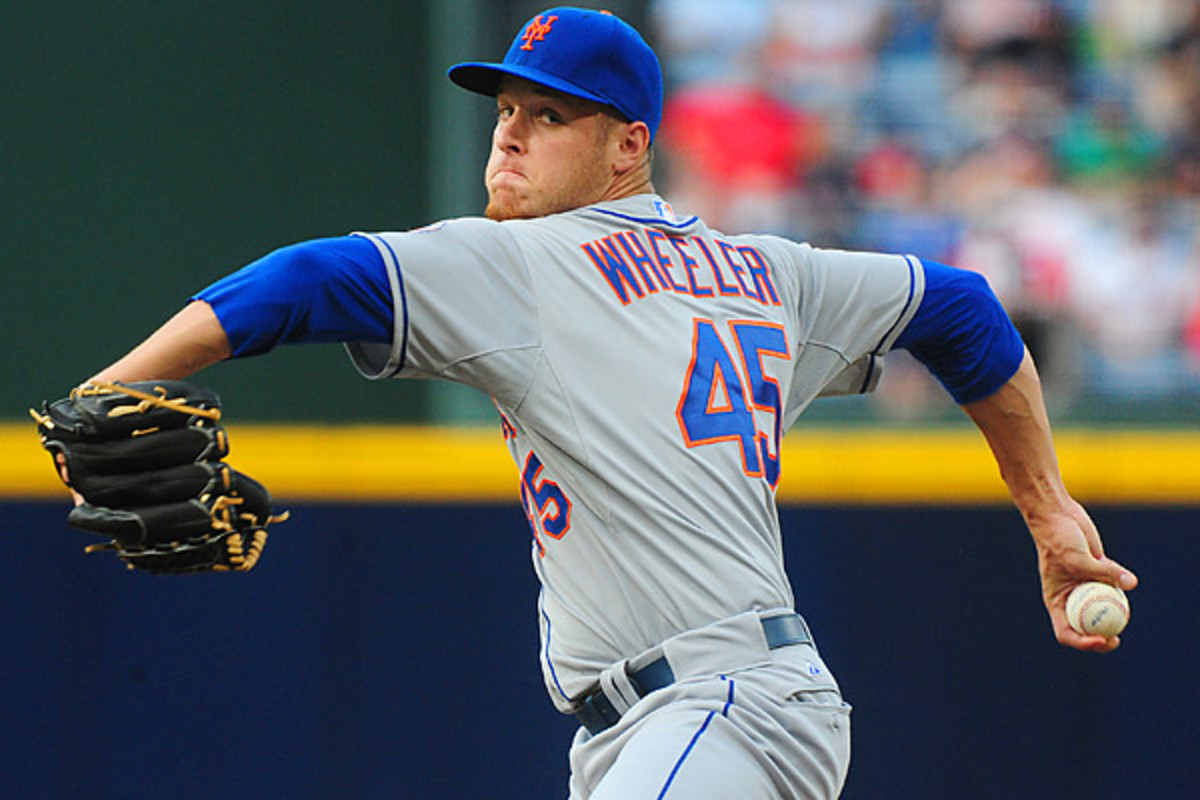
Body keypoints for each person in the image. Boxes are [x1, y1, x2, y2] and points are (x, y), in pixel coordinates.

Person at [64, 8, 1137, 799]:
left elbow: (307, 280)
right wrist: (1047, 513)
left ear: (630, 145)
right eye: (505, 111)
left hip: (716, 711)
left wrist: (118, 384)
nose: (509, 135)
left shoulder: (530, 263)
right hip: (710, 720)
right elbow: (961, 310)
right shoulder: (768, 271)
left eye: (549, 115)